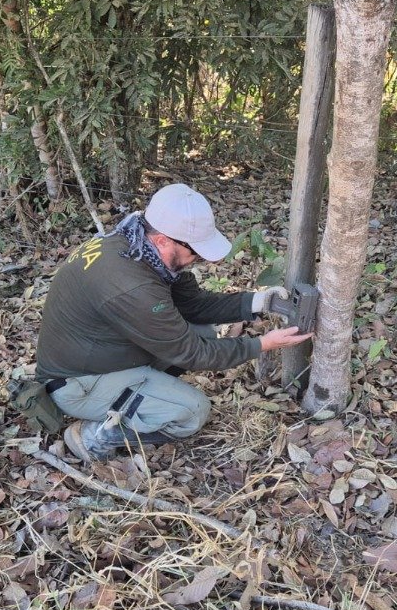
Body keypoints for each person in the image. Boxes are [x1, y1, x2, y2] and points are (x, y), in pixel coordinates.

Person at [34, 183, 312, 462]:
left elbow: (193, 305)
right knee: (193, 412)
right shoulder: (134, 287)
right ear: (164, 240)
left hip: (100, 353)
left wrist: (260, 302)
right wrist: (262, 344)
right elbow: (191, 353)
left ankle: (149, 394)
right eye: (194, 251)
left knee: (203, 331)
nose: (198, 259)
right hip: (78, 384)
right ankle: (95, 436)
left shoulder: (134, 243)